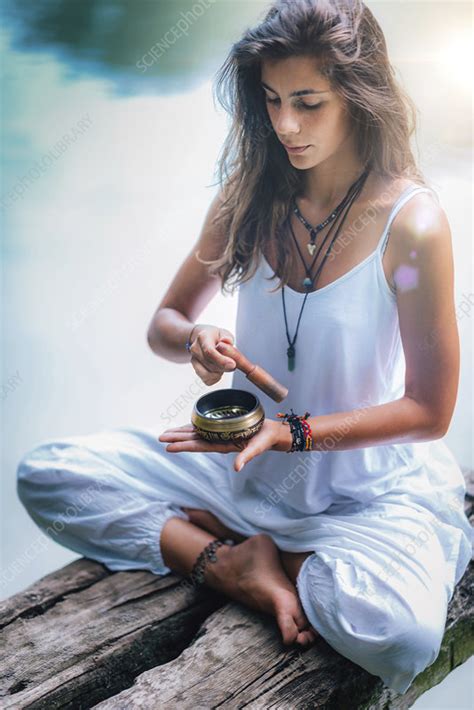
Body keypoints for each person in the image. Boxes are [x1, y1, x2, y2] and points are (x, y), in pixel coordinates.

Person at [17, 0, 472, 695]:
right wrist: (195, 339)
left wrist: (291, 433)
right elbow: (165, 321)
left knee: (403, 637)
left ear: (358, 95)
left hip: (358, 493)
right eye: (271, 101)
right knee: (47, 474)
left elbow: (430, 410)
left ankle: (272, 558)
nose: (284, 125)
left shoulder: (412, 224)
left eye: (307, 103)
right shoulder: (249, 194)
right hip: (236, 469)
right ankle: (231, 565)